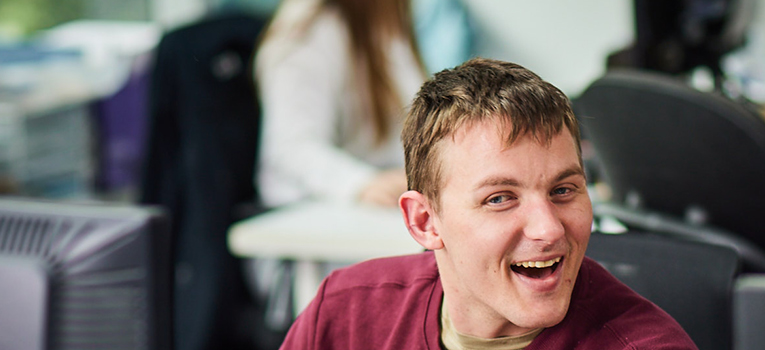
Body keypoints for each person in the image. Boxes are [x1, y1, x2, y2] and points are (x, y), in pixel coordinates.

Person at [279, 58, 696, 349]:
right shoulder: (345, 313)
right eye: (500, 198)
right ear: (425, 221)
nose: (549, 229)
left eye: (563, 190)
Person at [254, 0, 426, 207]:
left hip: (376, 199)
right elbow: (291, 149)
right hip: (311, 210)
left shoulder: (386, 24)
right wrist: (362, 183)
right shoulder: (309, 32)